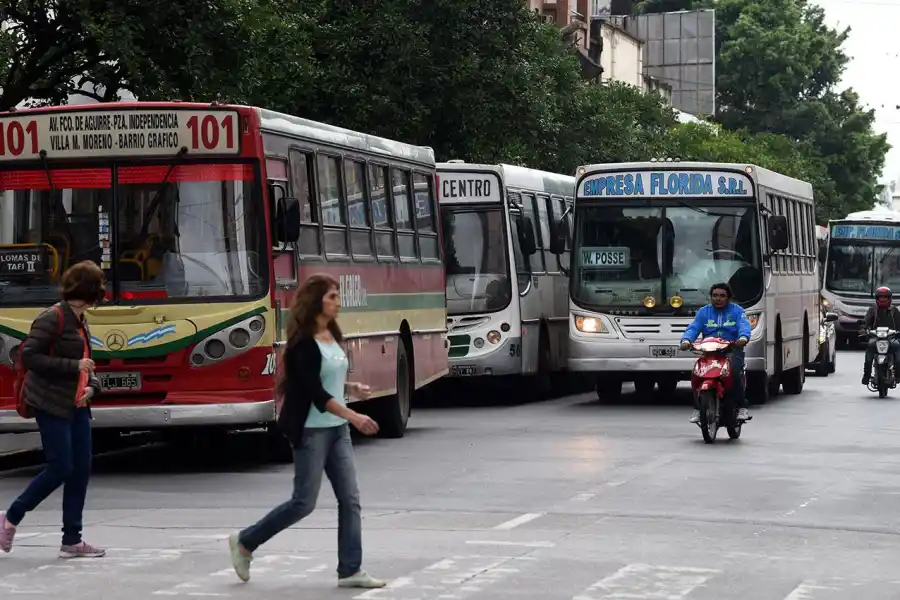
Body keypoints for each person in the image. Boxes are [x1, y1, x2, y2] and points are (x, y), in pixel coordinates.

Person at [227, 273, 385, 589]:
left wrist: (352, 387)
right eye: (332, 297)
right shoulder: (302, 344)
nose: (338, 302)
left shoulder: (332, 333)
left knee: (350, 499)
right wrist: (355, 416)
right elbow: (316, 393)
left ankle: (350, 570)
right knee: (303, 502)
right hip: (312, 431)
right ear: (316, 302)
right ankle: (245, 541)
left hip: (337, 430)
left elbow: (328, 380)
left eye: (338, 296)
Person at [0, 261, 106, 558]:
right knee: (61, 466)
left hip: (78, 404)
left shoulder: (81, 319)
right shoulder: (53, 317)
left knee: (80, 471)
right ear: (89, 290)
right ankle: (12, 516)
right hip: (51, 403)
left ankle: (72, 540)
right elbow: (28, 356)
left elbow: (89, 362)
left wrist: (93, 387)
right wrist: (72, 366)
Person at [679, 282, 752, 423]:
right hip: (709, 352)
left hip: (731, 351)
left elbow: (744, 326)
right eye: (715, 296)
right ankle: (698, 408)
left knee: (734, 372)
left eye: (722, 296)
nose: (718, 299)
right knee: (696, 373)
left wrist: (743, 338)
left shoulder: (738, 311)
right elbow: (693, 328)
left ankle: (742, 406)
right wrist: (686, 340)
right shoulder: (703, 312)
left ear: (728, 298)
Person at [861, 286, 900, 385]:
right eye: (880, 297)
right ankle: (866, 375)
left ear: (889, 298)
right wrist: (864, 330)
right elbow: (866, 322)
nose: (883, 299)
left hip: (892, 338)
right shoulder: (872, 310)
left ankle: (898, 375)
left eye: (885, 297)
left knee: (898, 353)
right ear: (877, 298)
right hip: (875, 338)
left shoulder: (895, 310)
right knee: (869, 356)